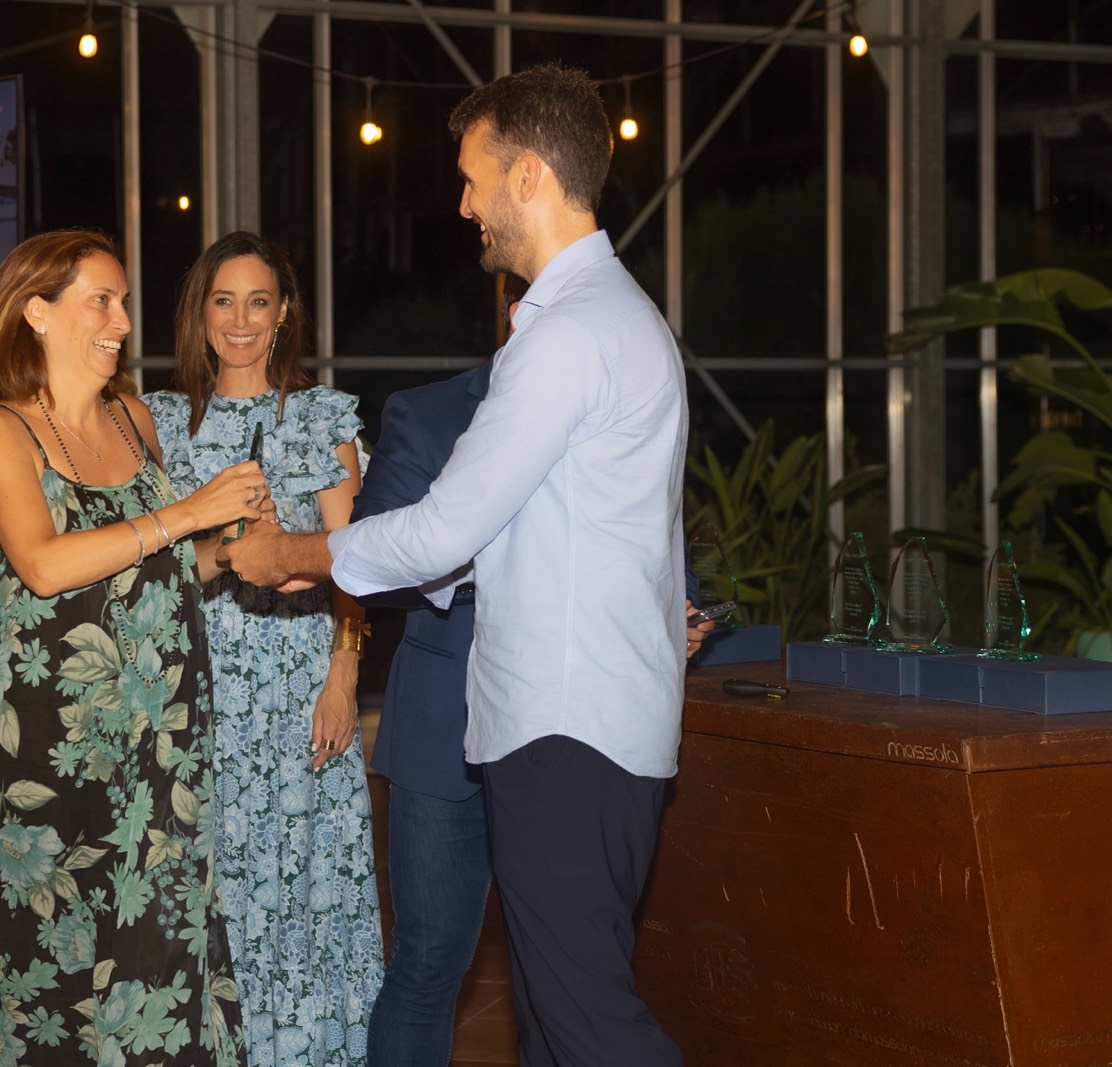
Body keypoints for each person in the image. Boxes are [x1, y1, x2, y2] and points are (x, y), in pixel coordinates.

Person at [221, 65, 690, 1066]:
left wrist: (293, 552)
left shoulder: (567, 333)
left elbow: (444, 530)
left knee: (589, 1025)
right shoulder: (616, 315)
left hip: (567, 731)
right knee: (556, 1024)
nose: (465, 202)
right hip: (596, 723)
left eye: (475, 178)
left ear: (526, 175)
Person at [0, 229, 263, 1066]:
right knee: (41, 980)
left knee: (159, 958)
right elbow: (47, 566)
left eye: (124, 301)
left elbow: (150, 569)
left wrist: (227, 552)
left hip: (153, 751)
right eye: (102, 299)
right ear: (37, 313)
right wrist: (187, 514)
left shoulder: (133, 420)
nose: (122, 319)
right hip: (42, 760)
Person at [356, 277, 713, 1066]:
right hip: (444, 739)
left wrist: (677, 613)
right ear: (519, 315)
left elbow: (641, 540)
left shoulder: (607, 400)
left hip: (569, 733)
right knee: (426, 968)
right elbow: (378, 552)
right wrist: (514, 563)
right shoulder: (427, 412)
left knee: (551, 989)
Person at [146, 231, 385, 1067]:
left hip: (296, 694)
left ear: (284, 313)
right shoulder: (162, 422)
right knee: (209, 891)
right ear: (200, 315)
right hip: (197, 694)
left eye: (258, 301)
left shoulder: (321, 416)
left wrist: (344, 678)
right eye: (223, 301)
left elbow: (359, 564)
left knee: (305, 896)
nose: (240, 320)